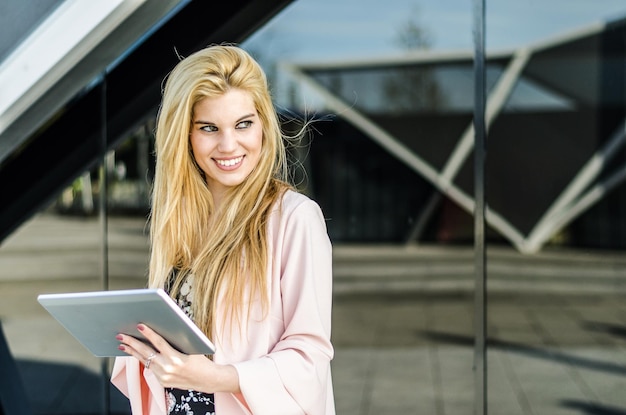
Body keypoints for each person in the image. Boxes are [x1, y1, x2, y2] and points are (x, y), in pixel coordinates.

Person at [111, 44, 335, 415]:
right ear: (185, 135)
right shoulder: (181, 221)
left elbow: (309, 359)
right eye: (209, 128)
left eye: (243, 124)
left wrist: (216, 377)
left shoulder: (294, 219)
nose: (229, 145)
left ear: (263, 123)